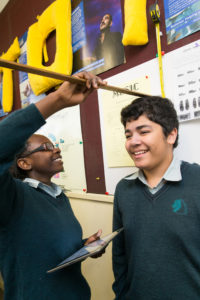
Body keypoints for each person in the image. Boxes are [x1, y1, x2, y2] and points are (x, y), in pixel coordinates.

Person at [0, 72, 106, 300]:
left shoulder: (58, 197)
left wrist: (83, 247)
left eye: (54, 145)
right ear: (24, 163)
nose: (56, 149)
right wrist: (57, 100)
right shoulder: (11, 196)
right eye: (46, 147)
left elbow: (47, 249)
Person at [112, 96, 200, 299]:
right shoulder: (124, 189)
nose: (133, 142)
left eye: (143, 132)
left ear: (170, 135)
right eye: (128, 135)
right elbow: (120, 254)